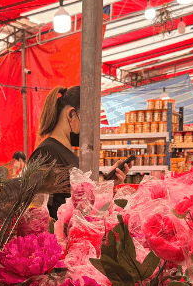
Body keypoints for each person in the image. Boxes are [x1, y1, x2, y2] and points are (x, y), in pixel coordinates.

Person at [29, 85, 130, 218]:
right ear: (71, 114)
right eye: (87, 121)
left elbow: (79, 202)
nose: (90, 129)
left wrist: (107, 184)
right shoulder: (46, 154)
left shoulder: (68, 154)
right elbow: (35, 216)